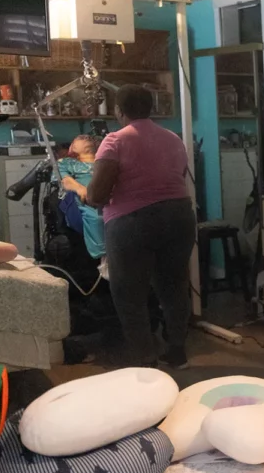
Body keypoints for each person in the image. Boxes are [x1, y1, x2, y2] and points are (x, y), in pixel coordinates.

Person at [87, 85, 195, 369]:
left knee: (129, 294)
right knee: (174, 287)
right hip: (179, 217)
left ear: (118, 111)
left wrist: (80, 190)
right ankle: (176, 352)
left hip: (133, 223)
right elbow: (177, 176)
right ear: (151, 108)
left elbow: (97, 194)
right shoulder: (174, 139)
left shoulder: (115, 141)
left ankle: (146, 362)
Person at [58, 134, 107, 268]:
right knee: (96, 218)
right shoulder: (68, 163)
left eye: (78, 140)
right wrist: (80, 189)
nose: (73, 141)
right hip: (85, 200)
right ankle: (104, 258)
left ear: (88, 147)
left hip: (107, 196)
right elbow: (65, 180)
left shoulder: (104, 162)